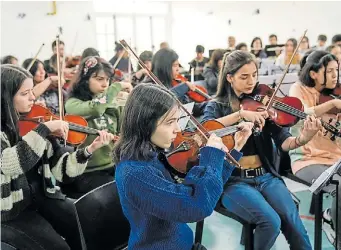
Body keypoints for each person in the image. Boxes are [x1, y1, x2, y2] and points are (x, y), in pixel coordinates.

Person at [203, 50, 321, 250]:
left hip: (266, 177)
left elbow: (284, 141)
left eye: (254, 75)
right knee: (270, 222)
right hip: (234, 181)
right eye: (244, 76)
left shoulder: (261, 104)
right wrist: (240, 115)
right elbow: (206, 130)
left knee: (294, 223)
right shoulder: (216, 106)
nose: (252, 81)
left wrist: (303, 138)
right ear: (229, 78)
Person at [114, 83, 253, 250]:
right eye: (170, 122)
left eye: (177, 121)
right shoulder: (135, 173)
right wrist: (211, 156)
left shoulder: (151, 155)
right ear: (145, 124)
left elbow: (206, 190)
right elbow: (197, 205)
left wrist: (234, 149)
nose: (178, 130)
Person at [0, 64, 114, 250]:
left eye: (32, 91)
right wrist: (44, 130)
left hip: (44, 195)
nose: (33, 97)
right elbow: (9, 164)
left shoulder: (34, 123)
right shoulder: (30, 131)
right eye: (24, 93)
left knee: (89, 226)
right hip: (12, 211)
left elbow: (62, 172)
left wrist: (88, 151)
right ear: (5, 97)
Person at [289, 50, 341, 246]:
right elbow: (300, 113)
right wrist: (333, 105)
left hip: (335, 156)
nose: (336, 76)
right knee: (340, 186)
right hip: (308, 159)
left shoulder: (334, 92)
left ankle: (330, 215)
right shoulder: (298, 89)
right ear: (314, 74)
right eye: (330, 71)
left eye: (337, 70)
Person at [64, 56, 132, 198]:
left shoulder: (112, 102)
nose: (105, 84)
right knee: (118, 195)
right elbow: (96, 108)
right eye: (99, 79)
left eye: (107, 80)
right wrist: (116, 86)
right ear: (85, 79)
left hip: (112, 166)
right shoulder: (72, 104)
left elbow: (122, 131)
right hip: (87, 171)